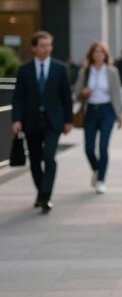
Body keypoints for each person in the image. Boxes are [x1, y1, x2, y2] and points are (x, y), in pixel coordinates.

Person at [10, 31, 73, 213]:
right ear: (34, 48)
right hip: (32, 121)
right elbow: (18, 98)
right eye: (43, 46)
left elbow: (66, 97)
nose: (47, 49)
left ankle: (45, 195)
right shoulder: (25, 70)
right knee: (36, 160)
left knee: (49, 156)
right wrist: (16, 120)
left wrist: (68, 120)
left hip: (53, 121)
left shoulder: (60, 68)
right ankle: (41, 192)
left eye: (49, 45)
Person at [73, 41, 122, 194]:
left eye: (101, 52)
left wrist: (119, 115)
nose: (98, 55)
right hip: (91, 111)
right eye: (95, 52)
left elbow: (116, 93)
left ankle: (101, 180)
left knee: (103, 146)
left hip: (107, 110)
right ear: (91, 54)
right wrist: (84, 93)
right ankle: (96, 169)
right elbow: (76, 93)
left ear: (105, 55)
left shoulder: (112, 71)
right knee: (88, 148)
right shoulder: (85, 71)